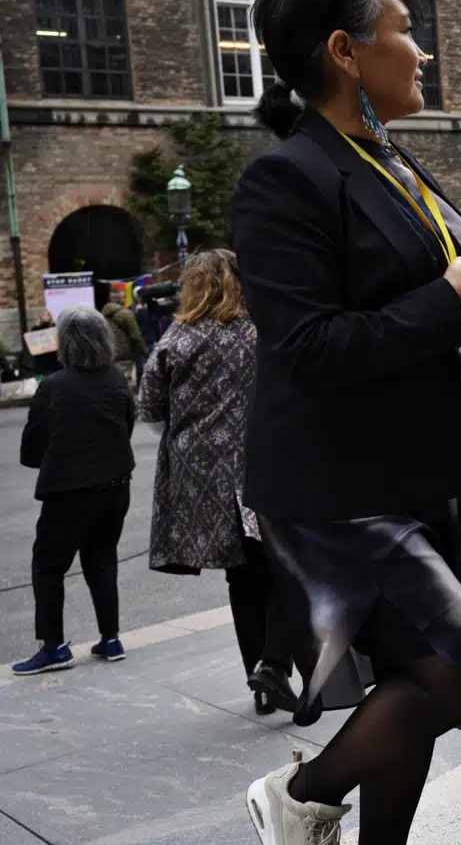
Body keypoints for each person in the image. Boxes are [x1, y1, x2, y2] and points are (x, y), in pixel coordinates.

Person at [231, 0, 461, 845]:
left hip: (424, 465)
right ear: (345, 51)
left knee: (424, 680)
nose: (421, 50)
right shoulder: (286, 178)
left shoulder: (394, 160)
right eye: (403, 29)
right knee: (457, 676)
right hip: (339, 485)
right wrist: (450, 301)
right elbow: (307, 346)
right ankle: (299, 794)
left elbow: (434, 292)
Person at [137, 250, 296, 716]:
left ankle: (261, 682)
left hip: (202, 476)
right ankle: (274, 663)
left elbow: (150, 409)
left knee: (241, 576)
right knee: (286, 565)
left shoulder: (176, 339)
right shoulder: (260, 333)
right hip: (263, 465)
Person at [12, 306, 135, 675]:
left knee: (49, 565)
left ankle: (53, 646)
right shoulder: (116, 378)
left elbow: (31, 449)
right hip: (115, 485)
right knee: (102, 558)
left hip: (68, 490)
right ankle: (111, 638)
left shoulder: (53, 386)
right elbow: (127, 425)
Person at [101, 291, 149, 387]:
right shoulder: (126, 314)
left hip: (109, 355)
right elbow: (136, 336)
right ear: (121, 299)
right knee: (125, 383)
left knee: (112, 383)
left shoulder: (102, 315)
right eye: (124, 297)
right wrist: (146, 353)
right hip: (124, 355)